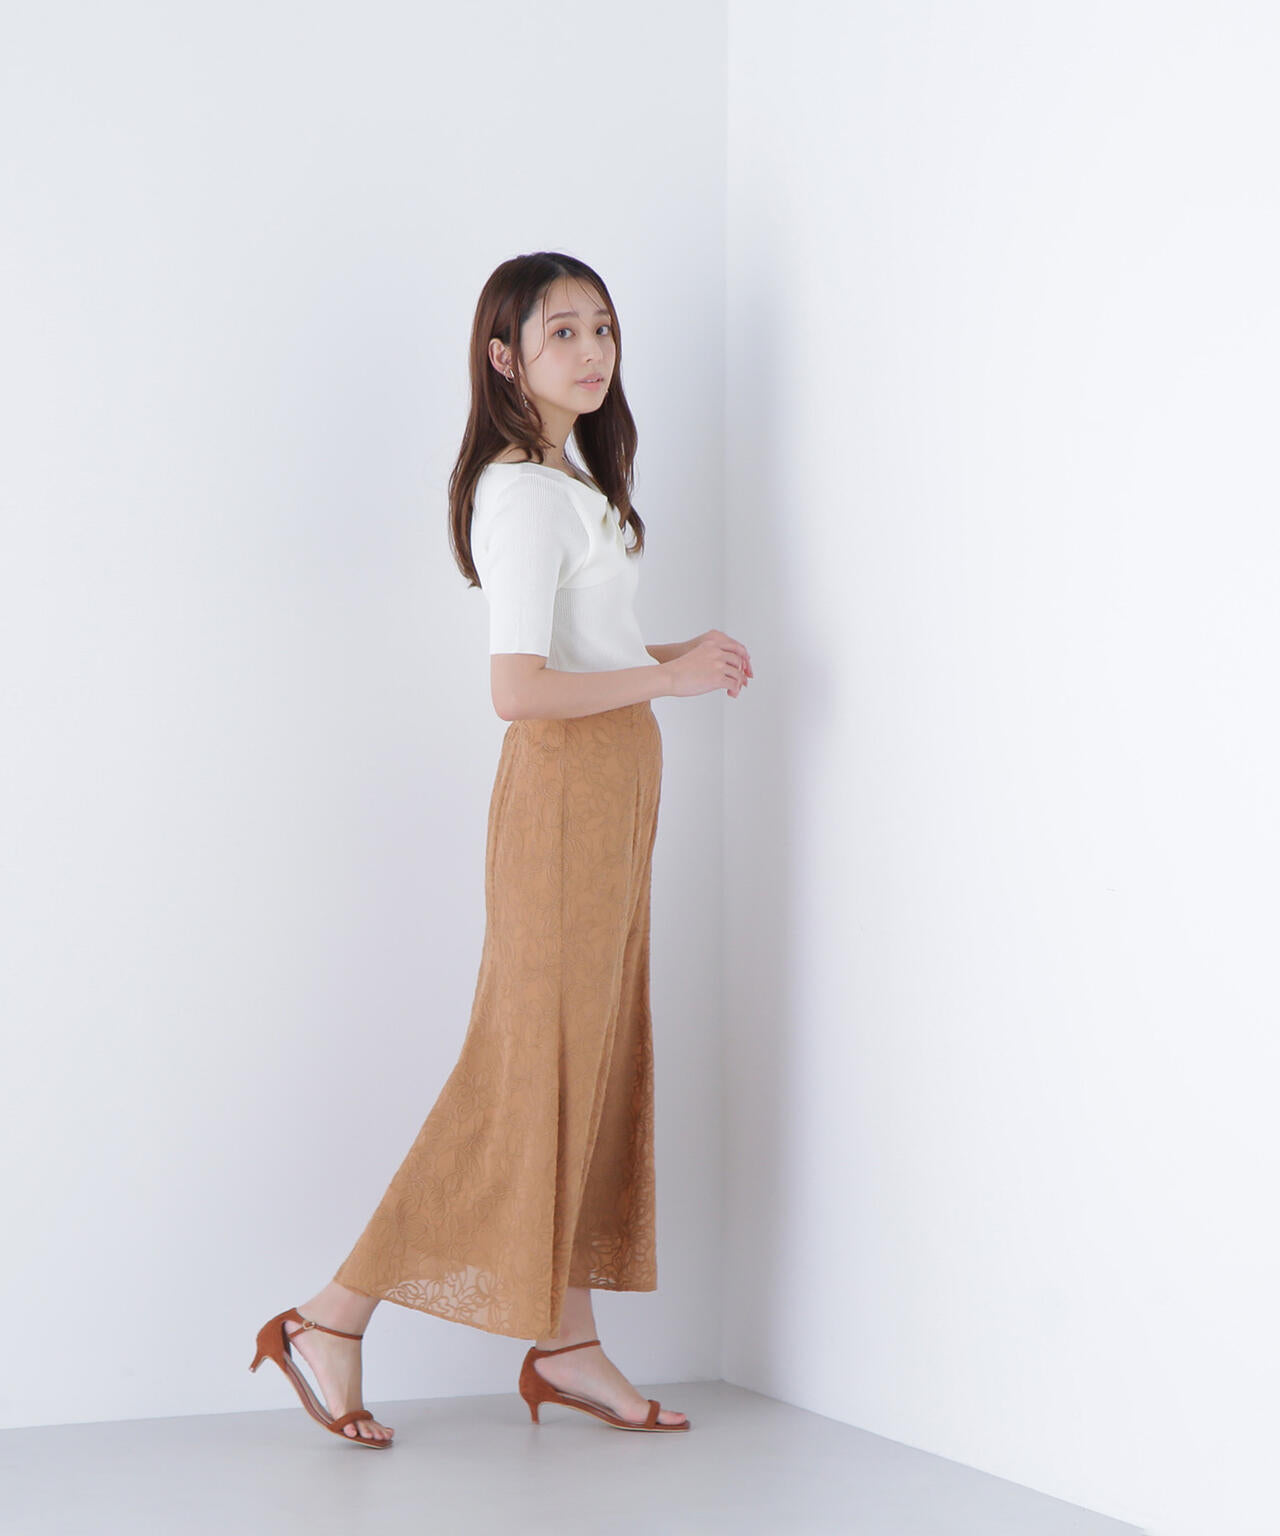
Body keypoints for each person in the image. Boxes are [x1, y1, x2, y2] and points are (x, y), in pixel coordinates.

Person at [250, 252, 752, 1446]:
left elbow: (582, 654)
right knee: (522, 1073)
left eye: (603, 328)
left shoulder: (568, 483)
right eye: (560, 331)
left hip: (611, 795)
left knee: (584, 1068)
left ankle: (566, 1343)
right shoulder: (522, 494)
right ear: (503, 358)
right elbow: (517, 690)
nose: (591, 351)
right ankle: (328, 1317)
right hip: (566, 798)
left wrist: (672, 655)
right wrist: (666, 680)